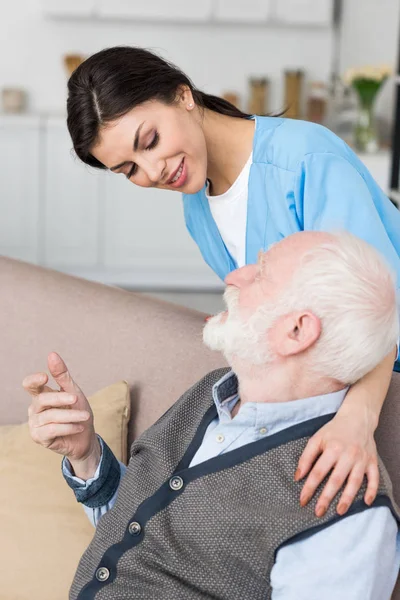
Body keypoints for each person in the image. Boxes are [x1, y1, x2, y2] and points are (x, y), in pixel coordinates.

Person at [65, 46, 400, 514]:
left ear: (182, 95)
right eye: (129, 170)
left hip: (379, 382)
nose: (153, 171)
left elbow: (381, 307)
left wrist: (359, 421)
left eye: (150, 140)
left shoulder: (305, 158)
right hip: (315, 391)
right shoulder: (197, 206)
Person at [24, 231, 400, 599]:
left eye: (260, 273)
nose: (233, 277)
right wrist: (87, 455)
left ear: (297, 330)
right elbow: (147, 527)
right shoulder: (210, 391)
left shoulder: (346, 508)